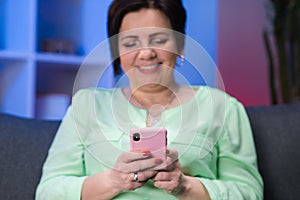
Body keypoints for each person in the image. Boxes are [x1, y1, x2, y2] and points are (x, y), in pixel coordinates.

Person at [36, 0, 263, 199]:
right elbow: (48, 192)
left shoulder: (222, 107)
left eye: (159, 39)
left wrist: (184, 186)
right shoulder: (86, 105)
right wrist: (114, 181)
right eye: (131, 43)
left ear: (180, 45)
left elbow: (249, 193)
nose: (146, 54)